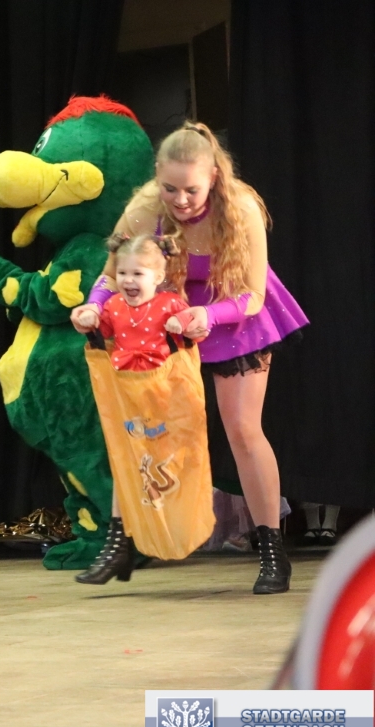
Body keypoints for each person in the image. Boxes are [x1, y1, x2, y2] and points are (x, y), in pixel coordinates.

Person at [71, 121, 309, 594]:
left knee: (243, 430)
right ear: (157, 176)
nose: (180, 200)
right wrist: (94, 305)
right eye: (170, 188)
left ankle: (272, 552)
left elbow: (253, 294)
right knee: (140, 428)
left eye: (191, 190)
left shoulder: (240, 208)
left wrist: (209, 314)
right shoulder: (145, 209)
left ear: (214, 177)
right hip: (165, 317)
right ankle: (121, 541)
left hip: (233, 314)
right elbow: (111, 274)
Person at [93, 233, 192, 371]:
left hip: (165, 377)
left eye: (137, 273)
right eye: (122, 273)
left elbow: (195, 328)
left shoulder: (171, 303)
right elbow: (102, 332)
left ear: (158, 277)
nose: (128, 280)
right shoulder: (113, 304)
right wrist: (91, 321)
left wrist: (181, 320)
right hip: (124, 375)